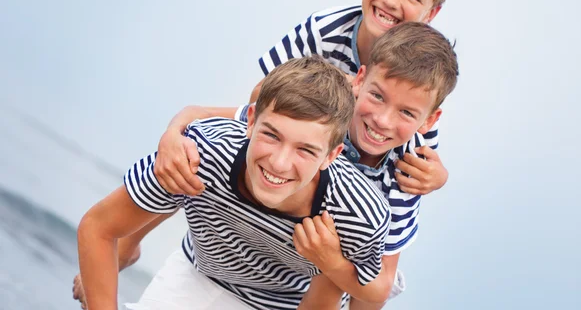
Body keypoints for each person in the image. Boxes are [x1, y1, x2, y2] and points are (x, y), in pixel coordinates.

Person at [157, 0, 460, 200]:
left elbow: (419, 151)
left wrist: (439, 176)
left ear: (430, 14)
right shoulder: (325, 30)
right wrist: (335, 88)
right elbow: (259, 97)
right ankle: (138, 227)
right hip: (291, 131)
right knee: (201, 147)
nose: (392, 1)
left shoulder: (422, 75)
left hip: (347, 168)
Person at [77, 57, 392, 310]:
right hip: (201, 272)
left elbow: (364, 297)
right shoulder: (204, 151)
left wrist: (333, 263)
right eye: (271, 135)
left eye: (305, 150)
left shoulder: (354, 213)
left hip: (285, 301)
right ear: (251, 120)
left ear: (331, 155)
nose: (279, 163)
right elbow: (99, 227)